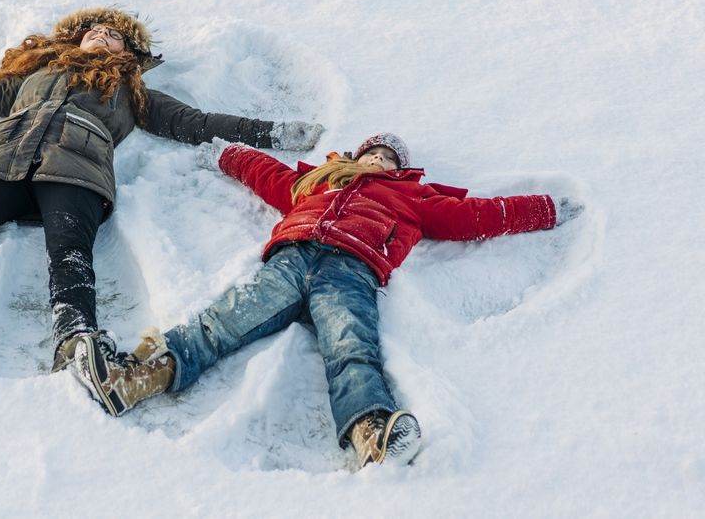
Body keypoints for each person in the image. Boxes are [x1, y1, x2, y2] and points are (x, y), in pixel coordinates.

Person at [0, 7, 325, 371]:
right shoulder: (32, 76)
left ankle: (76, 340)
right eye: (94, 30)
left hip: (79, 168)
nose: (102, 35)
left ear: (129, 52)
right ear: (76, 37)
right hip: (0, 159)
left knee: (70, 254)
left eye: (114, 35)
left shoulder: (132, 91)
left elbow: (198, 121)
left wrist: (270, 133)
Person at [69, 132, 584, 467]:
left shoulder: (416, 198)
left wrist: (544, 208)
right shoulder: (317, 182)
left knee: (350, 346)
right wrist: (224, 152)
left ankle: (370, 433)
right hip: (290, 260)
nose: (379, 160)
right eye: (373, 153)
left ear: (401, 169)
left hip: (352, 271)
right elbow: (266, 174)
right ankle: (134, 378)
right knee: (222, 320)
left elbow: (479, 216)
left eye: (389, 158)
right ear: (357, 156)